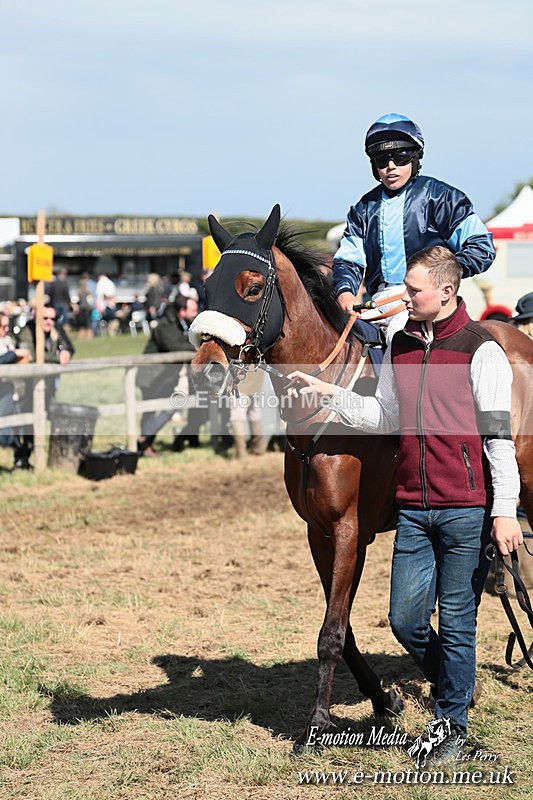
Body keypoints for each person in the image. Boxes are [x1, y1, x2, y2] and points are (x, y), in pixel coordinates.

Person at [289, 246, 522, 757]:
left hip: (464, 506)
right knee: (405, 620)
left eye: (412, 291)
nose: (402, 298)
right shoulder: (401, 346)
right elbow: (385, 416)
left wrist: (504, 508)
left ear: (445, 291)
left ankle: (452, 727)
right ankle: (454, 682)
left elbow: (498, 437)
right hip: (414, 507)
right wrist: (329, 396)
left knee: (457, 619)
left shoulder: (481, 349)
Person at [333, 113, 496, 341]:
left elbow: (481, 247)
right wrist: (345, 292)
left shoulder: (443, 198)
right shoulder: (363, 208)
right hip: (379, 300)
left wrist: (436, 277)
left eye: (400, 158)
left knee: (398, 335)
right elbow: (349, 261)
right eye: (382, 160)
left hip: (431, 299)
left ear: (415, 159)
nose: (391, 167)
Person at [136, 295, 201, 456]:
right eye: (193, 309)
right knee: (150, 411)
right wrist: (197, 349)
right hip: (151, 377)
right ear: (181, 311)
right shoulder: (164, 326)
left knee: (174, 405)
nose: (196, 312)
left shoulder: (182, 324)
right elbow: (174, 346)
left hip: (165, 378)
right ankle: (144, 445)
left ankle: (145, 440)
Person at [13, 306, 75, 468]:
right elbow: (32, 357)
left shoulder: (55, 331)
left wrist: (66, 352)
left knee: (49, 417)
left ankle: (54, 457)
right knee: (26, 423)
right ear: (36, 318)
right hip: (24, 386)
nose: (49, 322)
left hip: (47, 386)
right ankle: (22, 459)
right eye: (45, 318)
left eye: (52, 319)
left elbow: (69, 347)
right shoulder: (27, 331)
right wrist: (56, 358)